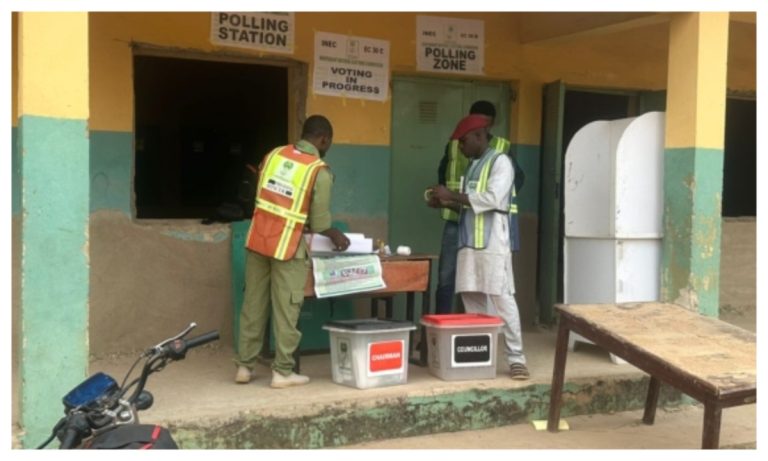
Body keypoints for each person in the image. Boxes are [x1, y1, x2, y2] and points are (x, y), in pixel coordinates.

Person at [234, 115, 349, 388]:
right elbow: (320, 223)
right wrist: (335, 234)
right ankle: (283, 371)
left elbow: (260, 194)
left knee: (253, 304)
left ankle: (244, 367)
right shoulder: (317, 170)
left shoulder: (274, 155)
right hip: (287, 244)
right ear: (323, 139)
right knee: (287, 308)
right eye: (328, 142)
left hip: (259, 238)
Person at [428, 114, 529, 380]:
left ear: (479, 136)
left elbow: (493, 199)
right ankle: (482, 355)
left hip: (494, 242)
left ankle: (517, 358)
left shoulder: (501, 162)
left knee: (501, 297)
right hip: (469, 242)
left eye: (463, 142)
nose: (461, 147)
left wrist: (451, 195)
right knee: (472, 297)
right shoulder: (473, 166)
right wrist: (446, 203)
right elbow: (470, 205)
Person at [433, 100, 524, 314]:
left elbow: (514, 181)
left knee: (494, 288)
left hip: (489, 227)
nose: (462, 146)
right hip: (459, 219)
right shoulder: (458, 145)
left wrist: (500, 200)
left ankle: (510, 346)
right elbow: (443, 172)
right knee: (454, 280)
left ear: (486, 128)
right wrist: (443, 197)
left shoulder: (501, 152)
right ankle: (445, 326)